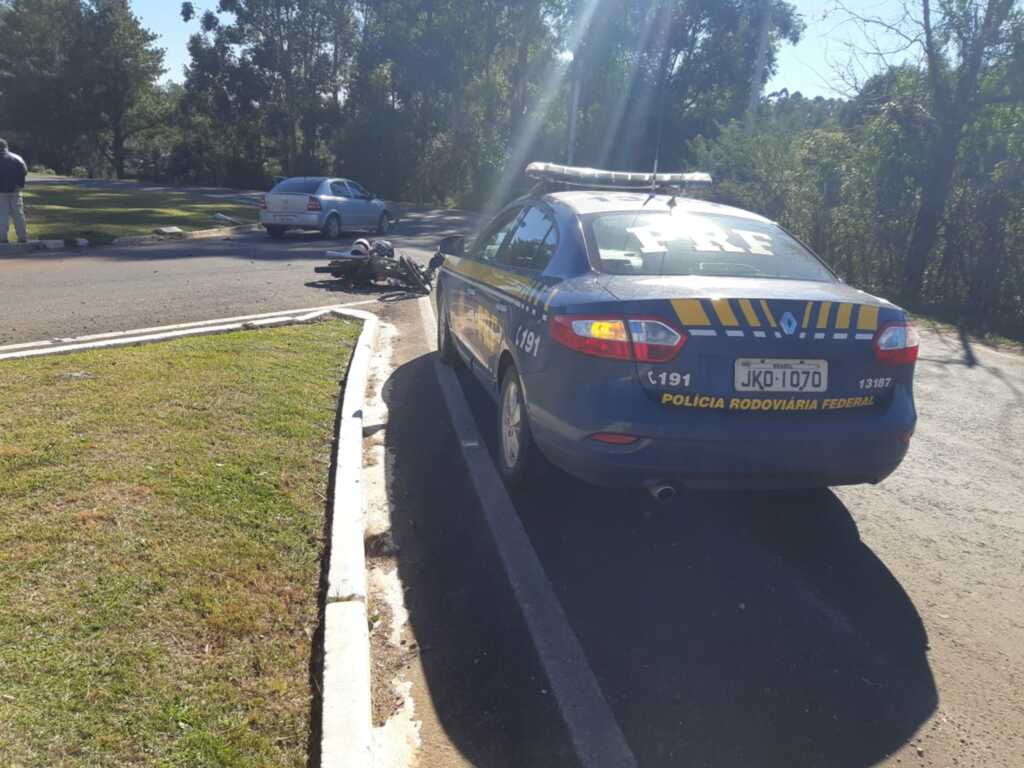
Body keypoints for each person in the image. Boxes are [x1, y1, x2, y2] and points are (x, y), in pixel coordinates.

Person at [0, 138, 29, 244]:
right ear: (6, 146)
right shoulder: (17, 158)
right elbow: (24, 171)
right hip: (16, 190)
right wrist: (19, 185)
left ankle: (2, 239)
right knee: (18, 214)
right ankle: (22, 237)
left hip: (1, 192)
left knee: (2, 215)